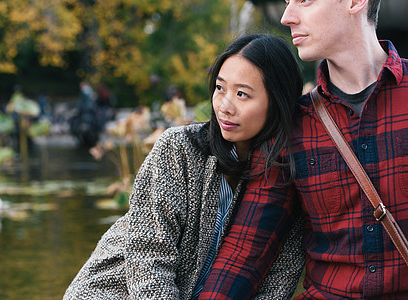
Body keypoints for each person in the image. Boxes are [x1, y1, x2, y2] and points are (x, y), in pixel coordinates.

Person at [63, 33, 304, 300]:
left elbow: (280, 277)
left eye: (242, 94)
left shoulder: (287, 177)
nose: (224, 106)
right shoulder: (179, 149)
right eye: (220, 88)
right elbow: (148, 258)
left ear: (278, 101)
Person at [200, 0, 408, 299]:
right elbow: (246, 251)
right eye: (286, 3)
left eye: (304, 1)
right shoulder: (292, 126)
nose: (287, 17)